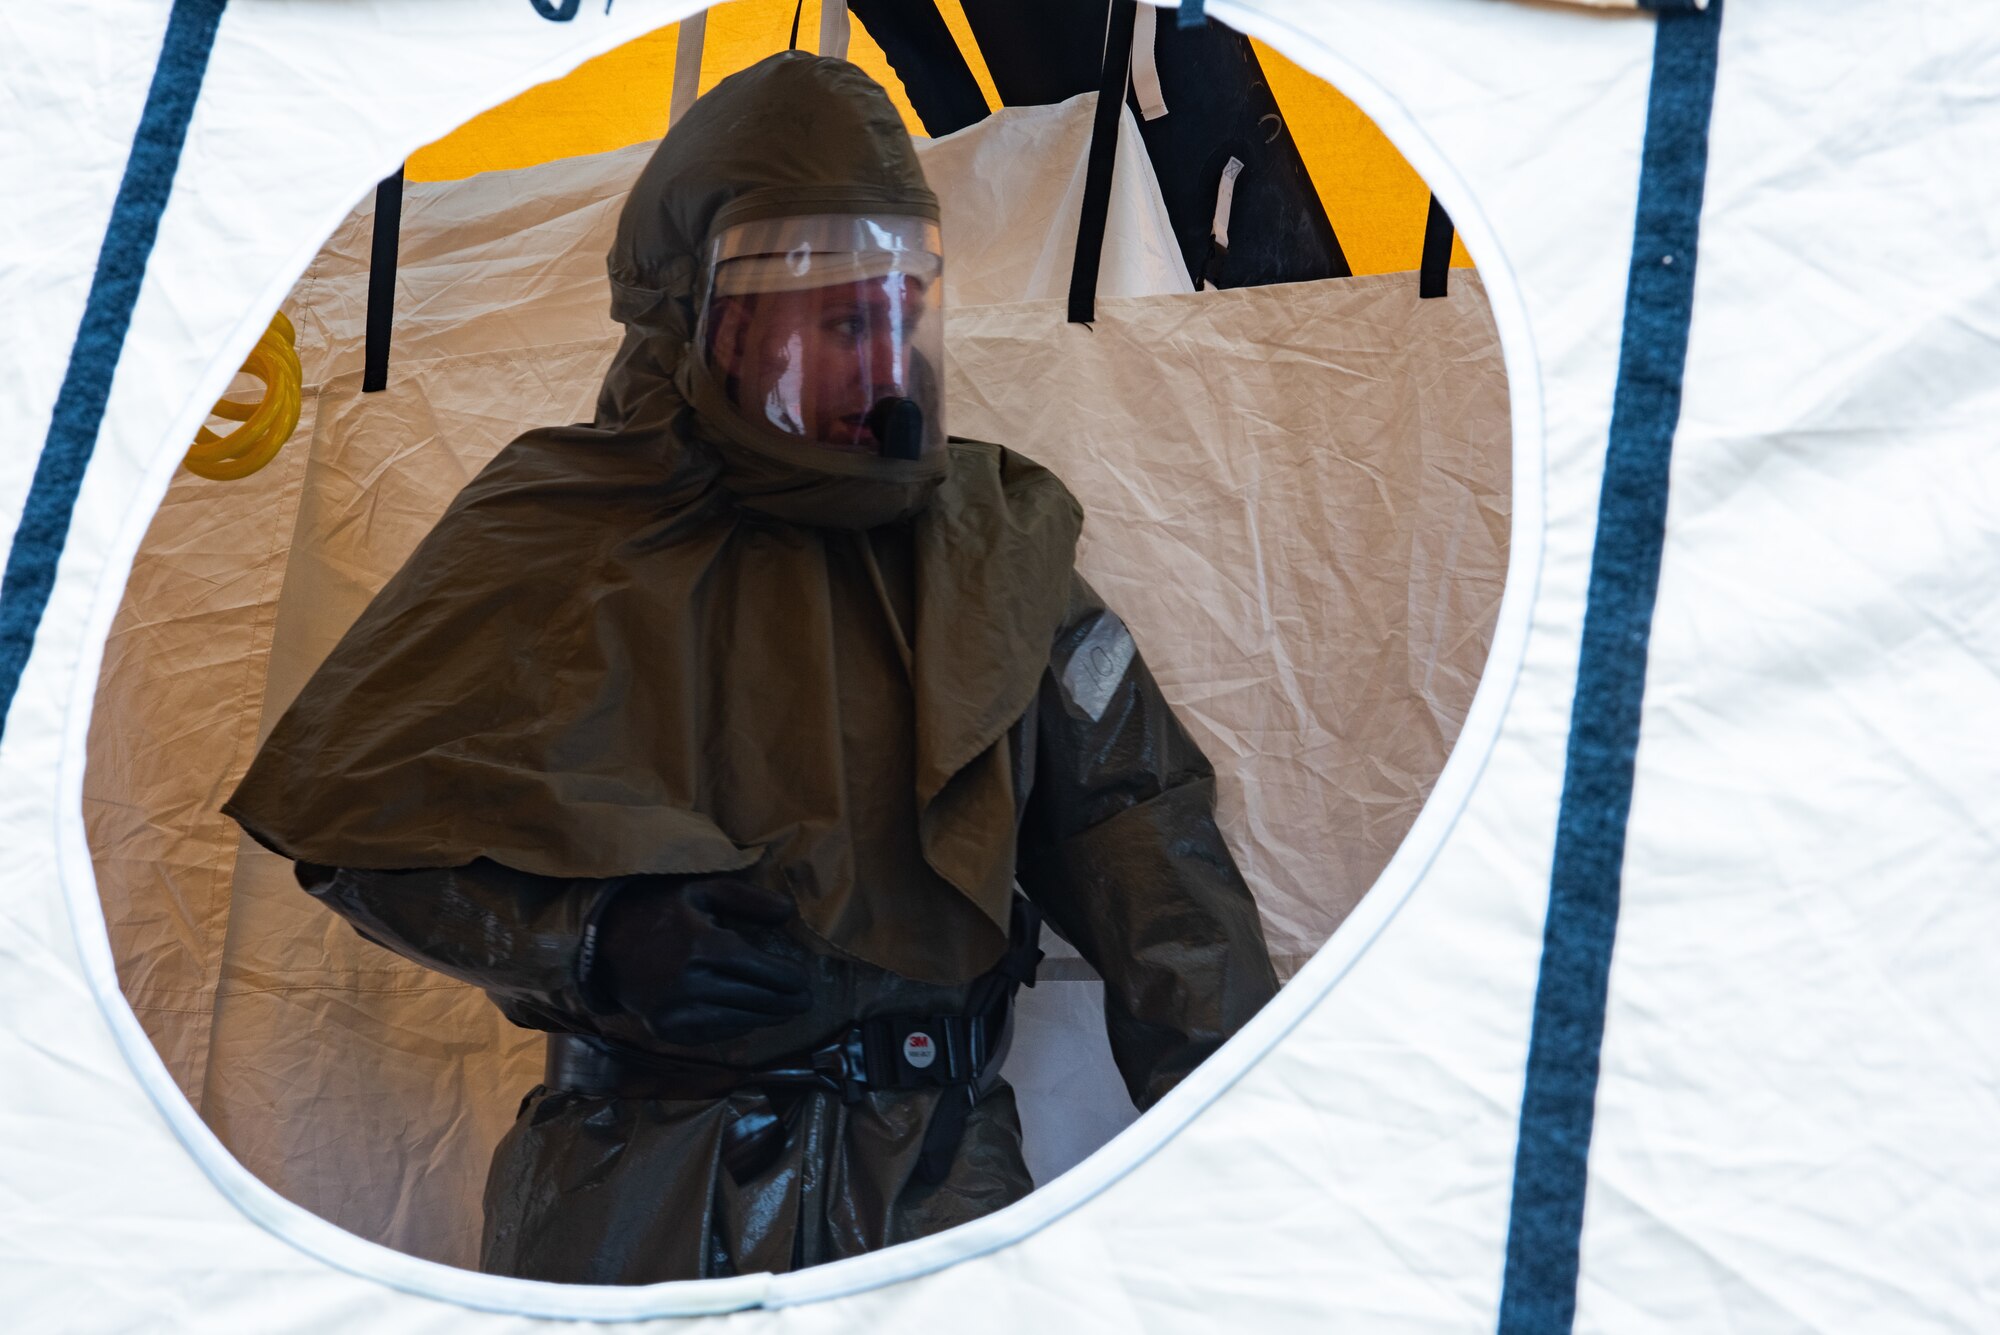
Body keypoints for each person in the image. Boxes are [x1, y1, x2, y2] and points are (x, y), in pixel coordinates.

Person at [224, 52, 1276, 1285]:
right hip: (628, 1201)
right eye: (839, 319)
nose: (879, 360)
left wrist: (1247, 1177)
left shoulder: (991, 553)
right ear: (708, 309)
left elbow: (1146, 852)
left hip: (937, 1210)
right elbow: (361, 833)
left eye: (899, 308)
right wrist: (590, 938)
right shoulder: (555, 528)